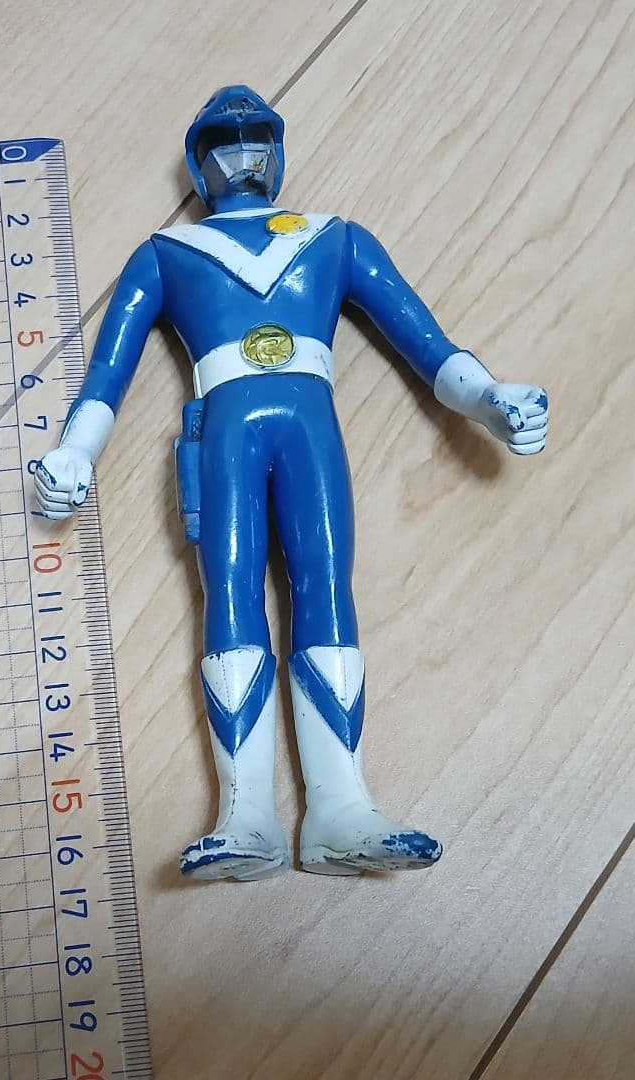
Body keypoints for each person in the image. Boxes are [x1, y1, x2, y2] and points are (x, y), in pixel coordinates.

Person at [35, 86, 549, 881]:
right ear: (200, 160)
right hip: (230, 433)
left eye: (254, 136)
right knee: (230, 592)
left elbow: (428, 343)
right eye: (224, 140)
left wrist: (489, 398)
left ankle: (341, 807)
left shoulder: (332, 238)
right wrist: (75, 452)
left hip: (307, 430)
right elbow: (108, 373)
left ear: (277, 148)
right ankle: (246, 814)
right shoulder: (167, 252)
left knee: (327, 590)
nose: (241, 152)